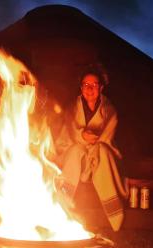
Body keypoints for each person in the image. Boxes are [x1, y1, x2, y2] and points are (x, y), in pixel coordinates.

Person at [56, 65, 127, 231]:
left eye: (94, 85)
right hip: (77, 159)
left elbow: (106, 135)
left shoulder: (110, 111)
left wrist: (90, 141)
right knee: (75, 151)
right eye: (85, 85)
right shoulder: (72, 109)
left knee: (102, 150)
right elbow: (69, 131)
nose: (89, 89)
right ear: (81, 88)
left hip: (98, 157)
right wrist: (81, 136)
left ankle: (115, 215)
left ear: (101, 88)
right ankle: (62, 206)